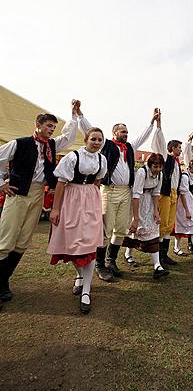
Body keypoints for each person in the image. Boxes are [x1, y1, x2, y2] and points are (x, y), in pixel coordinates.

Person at [0, 101, 82, 306]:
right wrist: (1, 183)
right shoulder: (20, 143)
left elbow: (69, 137)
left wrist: (73, 116)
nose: (51, 130)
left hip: (37, 193)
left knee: (23, 241)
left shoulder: (51, 145)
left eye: (53, 127)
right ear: (38, 125)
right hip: (18, 193)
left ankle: (3, 282)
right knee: (6, 240)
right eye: (48, 126)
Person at [78, 105, 159, 280]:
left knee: (121, 229)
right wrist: (80, 115)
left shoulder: (129, 147)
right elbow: (89, 130)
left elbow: (142, 137)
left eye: (127, 132)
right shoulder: (105, 144)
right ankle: (100, 265)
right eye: (122, 131)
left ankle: (111, 261)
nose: (126, 134)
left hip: (125, 192)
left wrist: (151, 123)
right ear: (114, 132)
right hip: (108, 191)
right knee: (106, 228)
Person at [48, 127, 107, 314]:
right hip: (71, 199)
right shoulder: (72, 157)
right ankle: (79, 277)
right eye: (93, 139)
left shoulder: (101, 159)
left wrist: (90, 196)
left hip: (90, 199)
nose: (97, 143)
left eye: (100, 140)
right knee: (72, 243)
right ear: (86, 139)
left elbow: (97, 181)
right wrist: (56, 208)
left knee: (89, 244)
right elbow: (60, 183)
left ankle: (86, 292)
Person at [122, 153, 169, 279]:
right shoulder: (142, 173)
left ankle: (157, 266)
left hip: (149, 203)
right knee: (135, 229)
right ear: (150, 165)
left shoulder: (160, 175)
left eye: (160, 167)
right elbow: (136, 194)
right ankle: (128, 254)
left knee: (153, 231)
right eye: (155, 166)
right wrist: (136, 217)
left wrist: (156, 211)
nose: (158, 169)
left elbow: (156, 193)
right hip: (138, 202)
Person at [151, 112, 182, 267]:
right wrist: (159, 125)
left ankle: (164, 254)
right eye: (179, 148)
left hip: (174, 193)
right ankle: (160, 257)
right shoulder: (166, 157)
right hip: (165, 193)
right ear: (172, 148)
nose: (181, 150)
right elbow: (160, 143)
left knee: (169, 224)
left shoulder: (177, 162)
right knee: (163, 224)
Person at [173, 157, 193, 261]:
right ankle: (176, 247)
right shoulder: (185, 176)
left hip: (190, 200)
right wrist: (187, 210)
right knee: (180, 225)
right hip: (183, 203)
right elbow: (182, 194)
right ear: (191, 164)